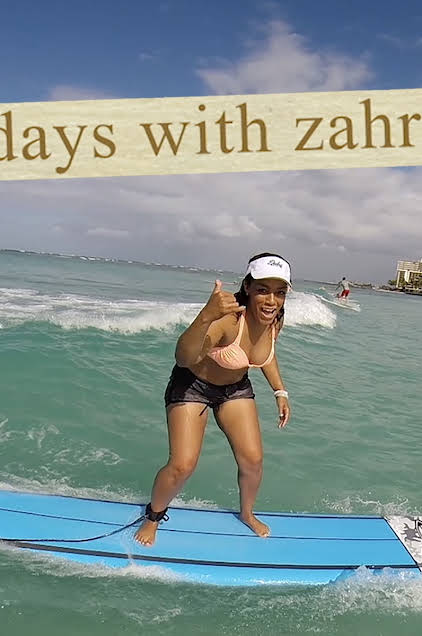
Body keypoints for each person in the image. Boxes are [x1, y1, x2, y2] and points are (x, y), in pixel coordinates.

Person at [135, 252, 292, 547]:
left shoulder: (274, 320)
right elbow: (183, 358)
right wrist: (206, 315)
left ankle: (247, 513)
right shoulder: (228, 320)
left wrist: (279, 391)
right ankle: (153, 517)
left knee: (253, 461)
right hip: (192, 385)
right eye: (263, 290)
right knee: (183, 464)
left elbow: (266, 352)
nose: (272, 300)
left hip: (234, 389)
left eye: (280, 292)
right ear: (247, 287)